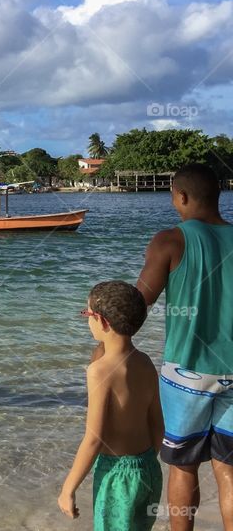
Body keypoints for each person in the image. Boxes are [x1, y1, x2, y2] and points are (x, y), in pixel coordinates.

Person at [133, 163, 233, 530]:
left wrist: (103, 312)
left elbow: (137, 305)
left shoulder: (169, 241)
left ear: (182, 196)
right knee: (230, 473)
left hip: (187, 375)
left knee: (183, 468)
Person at [59, 280, 164, 530]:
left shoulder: (99, 371)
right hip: (148, 467)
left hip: (117, 475)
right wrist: (144, 464)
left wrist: (68, 488)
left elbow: (94, 438)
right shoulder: (146, 362)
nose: (87, 320)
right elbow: (158, 425)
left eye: (87, 314)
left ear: (103, 322)